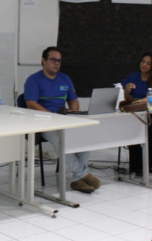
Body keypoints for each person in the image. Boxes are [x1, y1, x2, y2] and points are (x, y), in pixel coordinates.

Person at [24, 46, 101, 193]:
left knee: (86, 136)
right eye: (53, 60)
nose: (57, 63)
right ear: (43, 60)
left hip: (63, 119)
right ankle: (84, 174)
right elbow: (31, 104)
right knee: (60, 139)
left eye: (59, 61)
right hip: (43, 122)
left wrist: (74, 112)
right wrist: (52, 117)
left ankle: (77, 180)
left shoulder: (65, 79)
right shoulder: (33, 80)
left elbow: (73, 101)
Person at [120, 51, 152, 175]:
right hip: (136, 114)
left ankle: (150, 166)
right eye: (143, 62)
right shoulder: (133, 77)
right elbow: (126, 97)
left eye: (148, 63)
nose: (144, 65)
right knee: (129, 130)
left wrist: (136, 102)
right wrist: (127, 90)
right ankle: (136, 166)